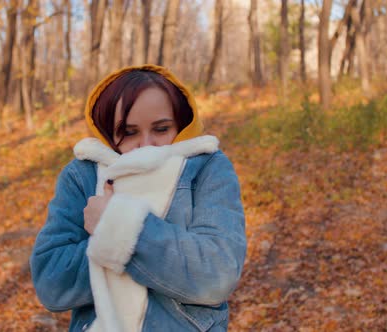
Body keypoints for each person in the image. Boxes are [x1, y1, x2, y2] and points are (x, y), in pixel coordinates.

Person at [30, 64, 247, 332]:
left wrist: (115, 226)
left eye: (161, 129)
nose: (146, 145)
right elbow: (51, 283)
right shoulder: (82, 175)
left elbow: (217, 274)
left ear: (182, 125)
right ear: (108, 132)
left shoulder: (206, 168)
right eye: (129, 132)